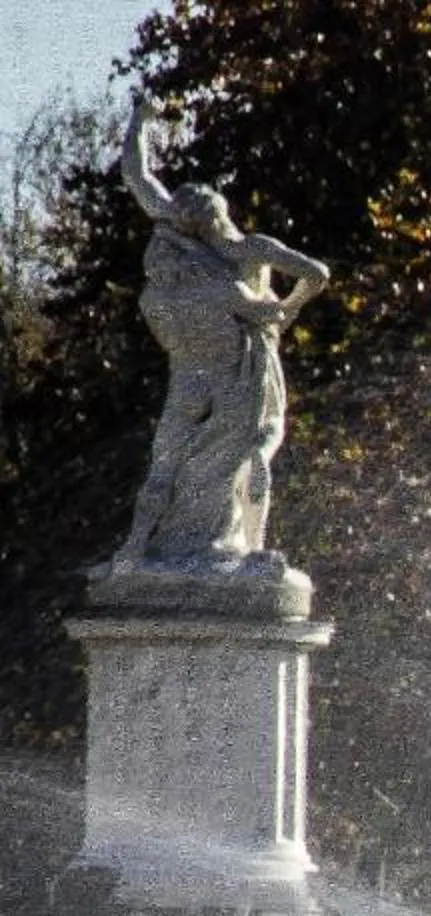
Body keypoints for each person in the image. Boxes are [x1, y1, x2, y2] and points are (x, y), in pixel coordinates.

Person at [114, 95, 330, 568]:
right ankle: (219, 548)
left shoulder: (234, 244)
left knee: (229, 454)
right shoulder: (216, 240)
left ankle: (224, 548)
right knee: (218, 453)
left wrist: (282, 313)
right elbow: (137, 176)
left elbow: (316, 273)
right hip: (222, 364)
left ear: (205, 220)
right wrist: (279, 312)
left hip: (233, 366)